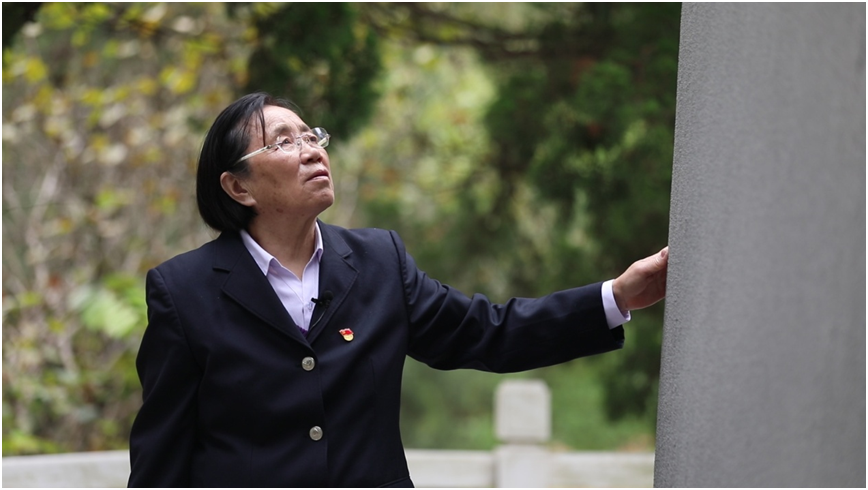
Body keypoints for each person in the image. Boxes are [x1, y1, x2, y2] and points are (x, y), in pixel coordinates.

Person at [127, 92, 669, 488]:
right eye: (284, 142)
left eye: (312, 136)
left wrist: (616, 297)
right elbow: (162, 458)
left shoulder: (378, 262)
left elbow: (488, 333)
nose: (312, 150)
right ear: (237, 186)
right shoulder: (184, 291)